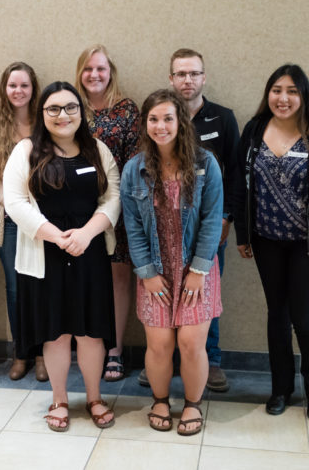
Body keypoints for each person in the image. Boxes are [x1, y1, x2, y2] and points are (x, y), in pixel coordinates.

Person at [233, 64, 309, 421]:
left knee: (303, 316)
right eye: (277, 90)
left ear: (303, 96)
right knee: (277, 316)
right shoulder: (254, 131)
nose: (283, 98)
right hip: (267, 241)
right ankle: (280, 389)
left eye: (292, 91)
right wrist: (243, 233)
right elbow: (238, 184)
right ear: (268, 93)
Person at [3, 81, 120, 432]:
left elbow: (113, 198)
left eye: (70, 107)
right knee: (55, 333)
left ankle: (94, 397)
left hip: (89, 252)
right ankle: (59, 399)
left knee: (91, 333)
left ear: (81, 112)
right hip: (45, 255)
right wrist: (55, 236)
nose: (62, 115)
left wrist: (85, 234)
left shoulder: (97, 149)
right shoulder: (26, 150)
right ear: (42, 114)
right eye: (53, 108)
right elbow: (15, 202)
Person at [121, 89, 223, 436]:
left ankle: (192, 404)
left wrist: (197, 271)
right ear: (145, 123)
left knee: (192, 343)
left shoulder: (206, 164)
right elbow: (132, 227)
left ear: (180, 121)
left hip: (198, 269)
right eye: (153, 119)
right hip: (154, 270)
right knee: (160, 344)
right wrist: (147, 274)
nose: (160, 126)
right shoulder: (135, 169)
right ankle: (161, 400)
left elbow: (212, 220)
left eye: (168, 118)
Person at [75, 45, 140, 381]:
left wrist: (117, 204)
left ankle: (114, 351)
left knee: (117, 279)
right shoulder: (70, 106)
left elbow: (134, 161)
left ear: (110, 71)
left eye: (100, 68)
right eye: (88, 69)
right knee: (83, 278)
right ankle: (90, 346)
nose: (94, 75)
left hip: (118, 206)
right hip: (75, 210)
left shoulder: (127, 110)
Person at [0, 61, 48, 382]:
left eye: (24, 85)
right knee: (15, 289)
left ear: (33, 88)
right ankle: (21, 353)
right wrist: (14, 204)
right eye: (12, 85)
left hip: (43, 220)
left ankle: (42, 355)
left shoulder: (45, 120)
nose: (18, 91)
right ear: (4, 89)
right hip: (7, 218)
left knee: (42, 287)